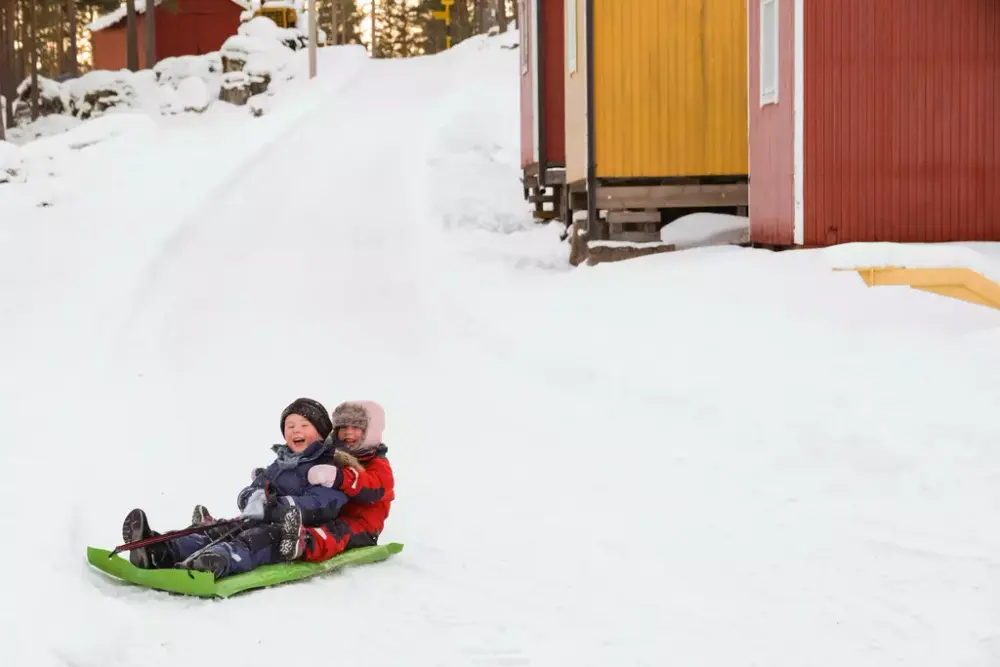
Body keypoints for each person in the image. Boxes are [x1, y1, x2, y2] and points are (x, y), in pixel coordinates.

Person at [121, 398, 349, 578]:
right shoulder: (280, 464)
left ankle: (213, 562)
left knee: (254, 540)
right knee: (218, 529)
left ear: (320, 432)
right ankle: (158, 551)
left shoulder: (328, 467)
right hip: (259, 518)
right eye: (289, 426)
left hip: (291, 531)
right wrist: (251, 497)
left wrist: (279, 506)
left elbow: (323, 505)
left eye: (303, 425)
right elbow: (255, 487)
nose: (295, 431)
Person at [282, 400, 396, 562]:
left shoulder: (378, 464)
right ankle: (283, 535)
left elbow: (373, 488)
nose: (349, 433)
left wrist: (340, 478)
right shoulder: (333, 455)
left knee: (336, 533)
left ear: (370, 431)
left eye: (356, 427)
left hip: (362, 525)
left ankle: (304, 544)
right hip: (331, 513)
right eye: (343, 427)